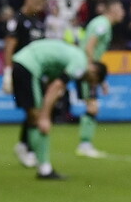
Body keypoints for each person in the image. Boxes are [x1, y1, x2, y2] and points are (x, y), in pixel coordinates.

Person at [11, 39, 108, 180]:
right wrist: (45, 116)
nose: (88, 82)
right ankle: (43, 168)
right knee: (39, 117)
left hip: (21, 62)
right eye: (92, 80)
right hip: (29, 66)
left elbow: (52, 83)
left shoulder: (73, 56)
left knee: (33, 116)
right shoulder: (80, 64)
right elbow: (56, 86)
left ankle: (31, 154)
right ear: (94, 70)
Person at [75, 0, 126, 159]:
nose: (123, 13)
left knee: (92, 105)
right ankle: (84, 144)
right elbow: (89, 47)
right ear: (113, 11)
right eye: (121, 9)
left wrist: (101, 80)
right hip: (87, 70)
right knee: (92, 106)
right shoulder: (103, 24)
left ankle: (85, 144)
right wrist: (91, 70)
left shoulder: (101, 23)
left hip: (88, 69)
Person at [3, 0, 47, 169]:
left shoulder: (37, 22)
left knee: (35, 109)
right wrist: (7, 71)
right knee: (32, 110)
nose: (39, 6)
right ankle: (26, 147)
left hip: (36, 71)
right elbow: (10, 45)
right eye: (37, 2)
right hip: (23, 70)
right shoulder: (18, 20)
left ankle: (25, 145)